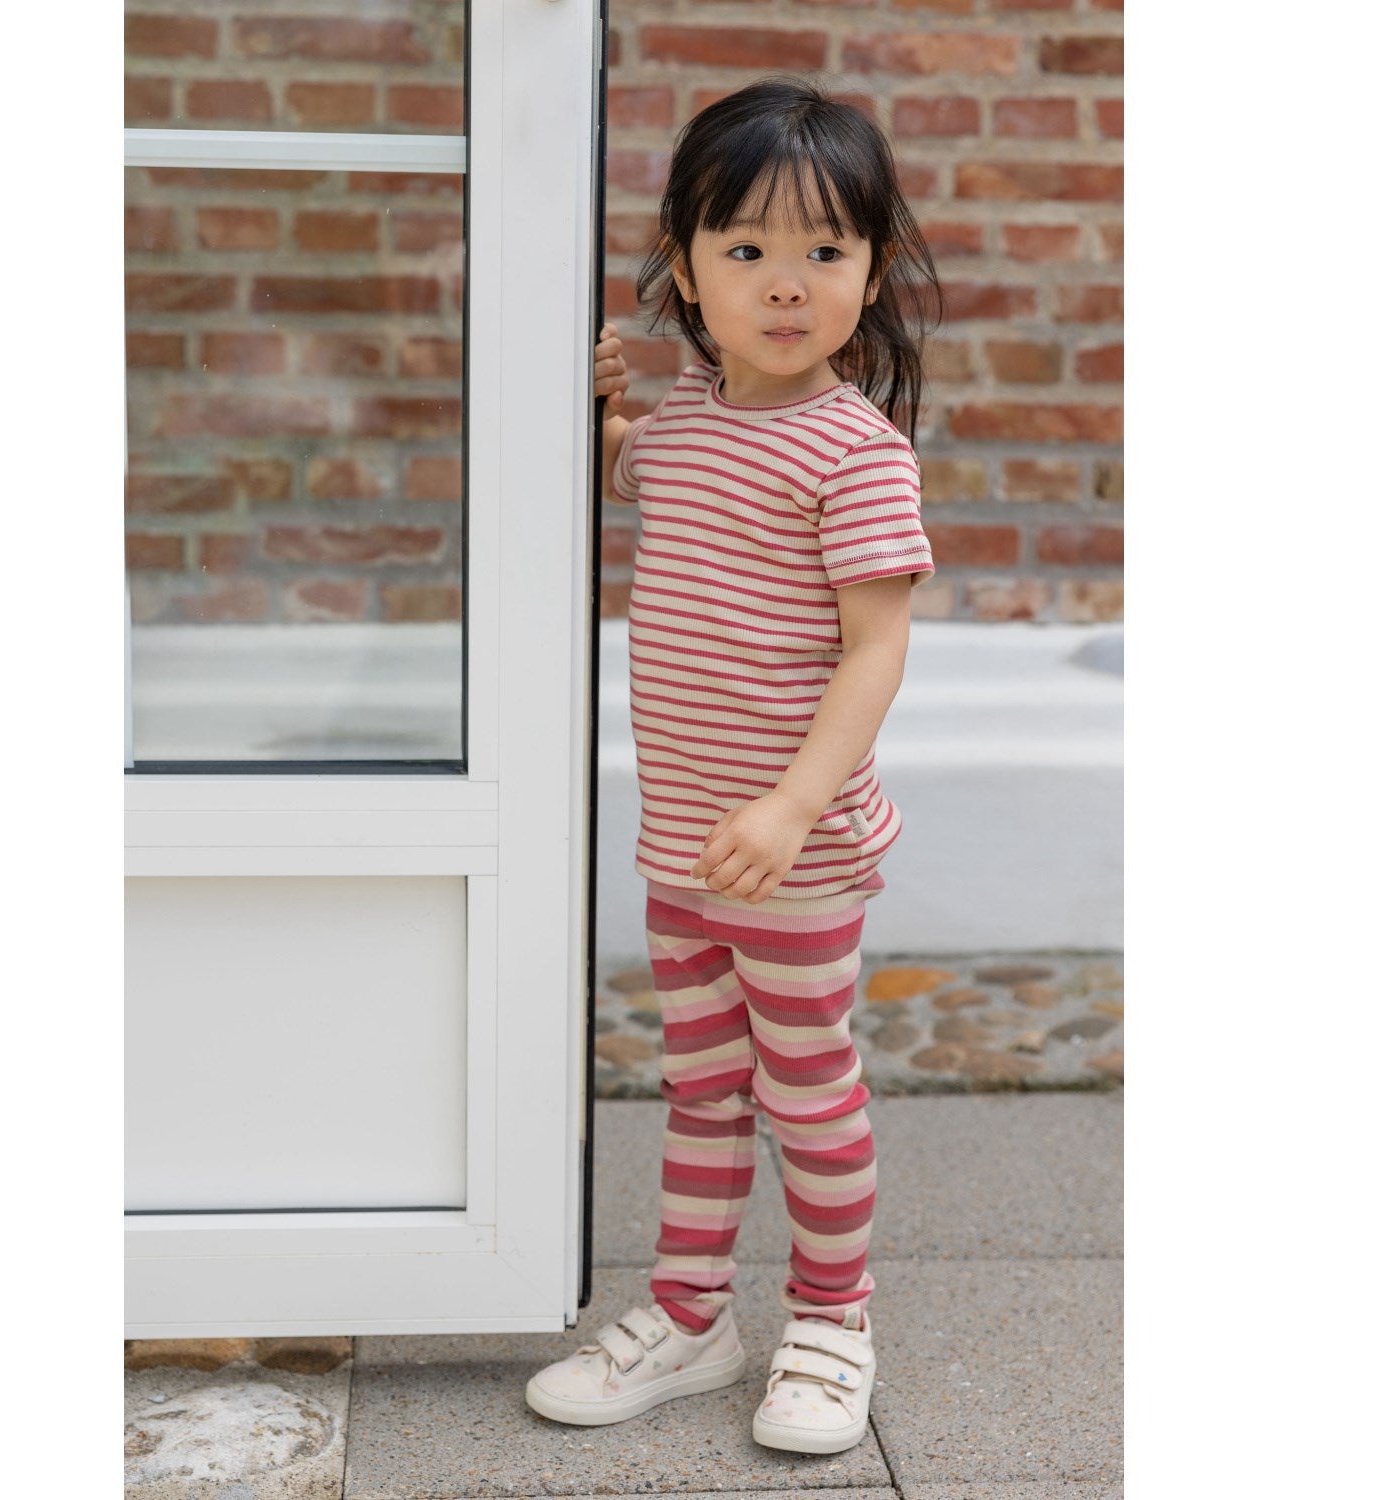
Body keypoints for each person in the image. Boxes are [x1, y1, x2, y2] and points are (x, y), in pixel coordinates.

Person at [525, 74, 942, 1458]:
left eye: (824, 249)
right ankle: (692, 1317)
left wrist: (792, 804)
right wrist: (594, 412)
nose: (785, 283)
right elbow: (639, 472)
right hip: (688, 847)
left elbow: (876, 650)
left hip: (795, 851)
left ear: (871, 270)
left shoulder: (856, 453)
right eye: (746, 247)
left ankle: (832, 1321)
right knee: (701, 1088)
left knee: (808, 1089)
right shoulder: (690, 422)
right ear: (686, 267)